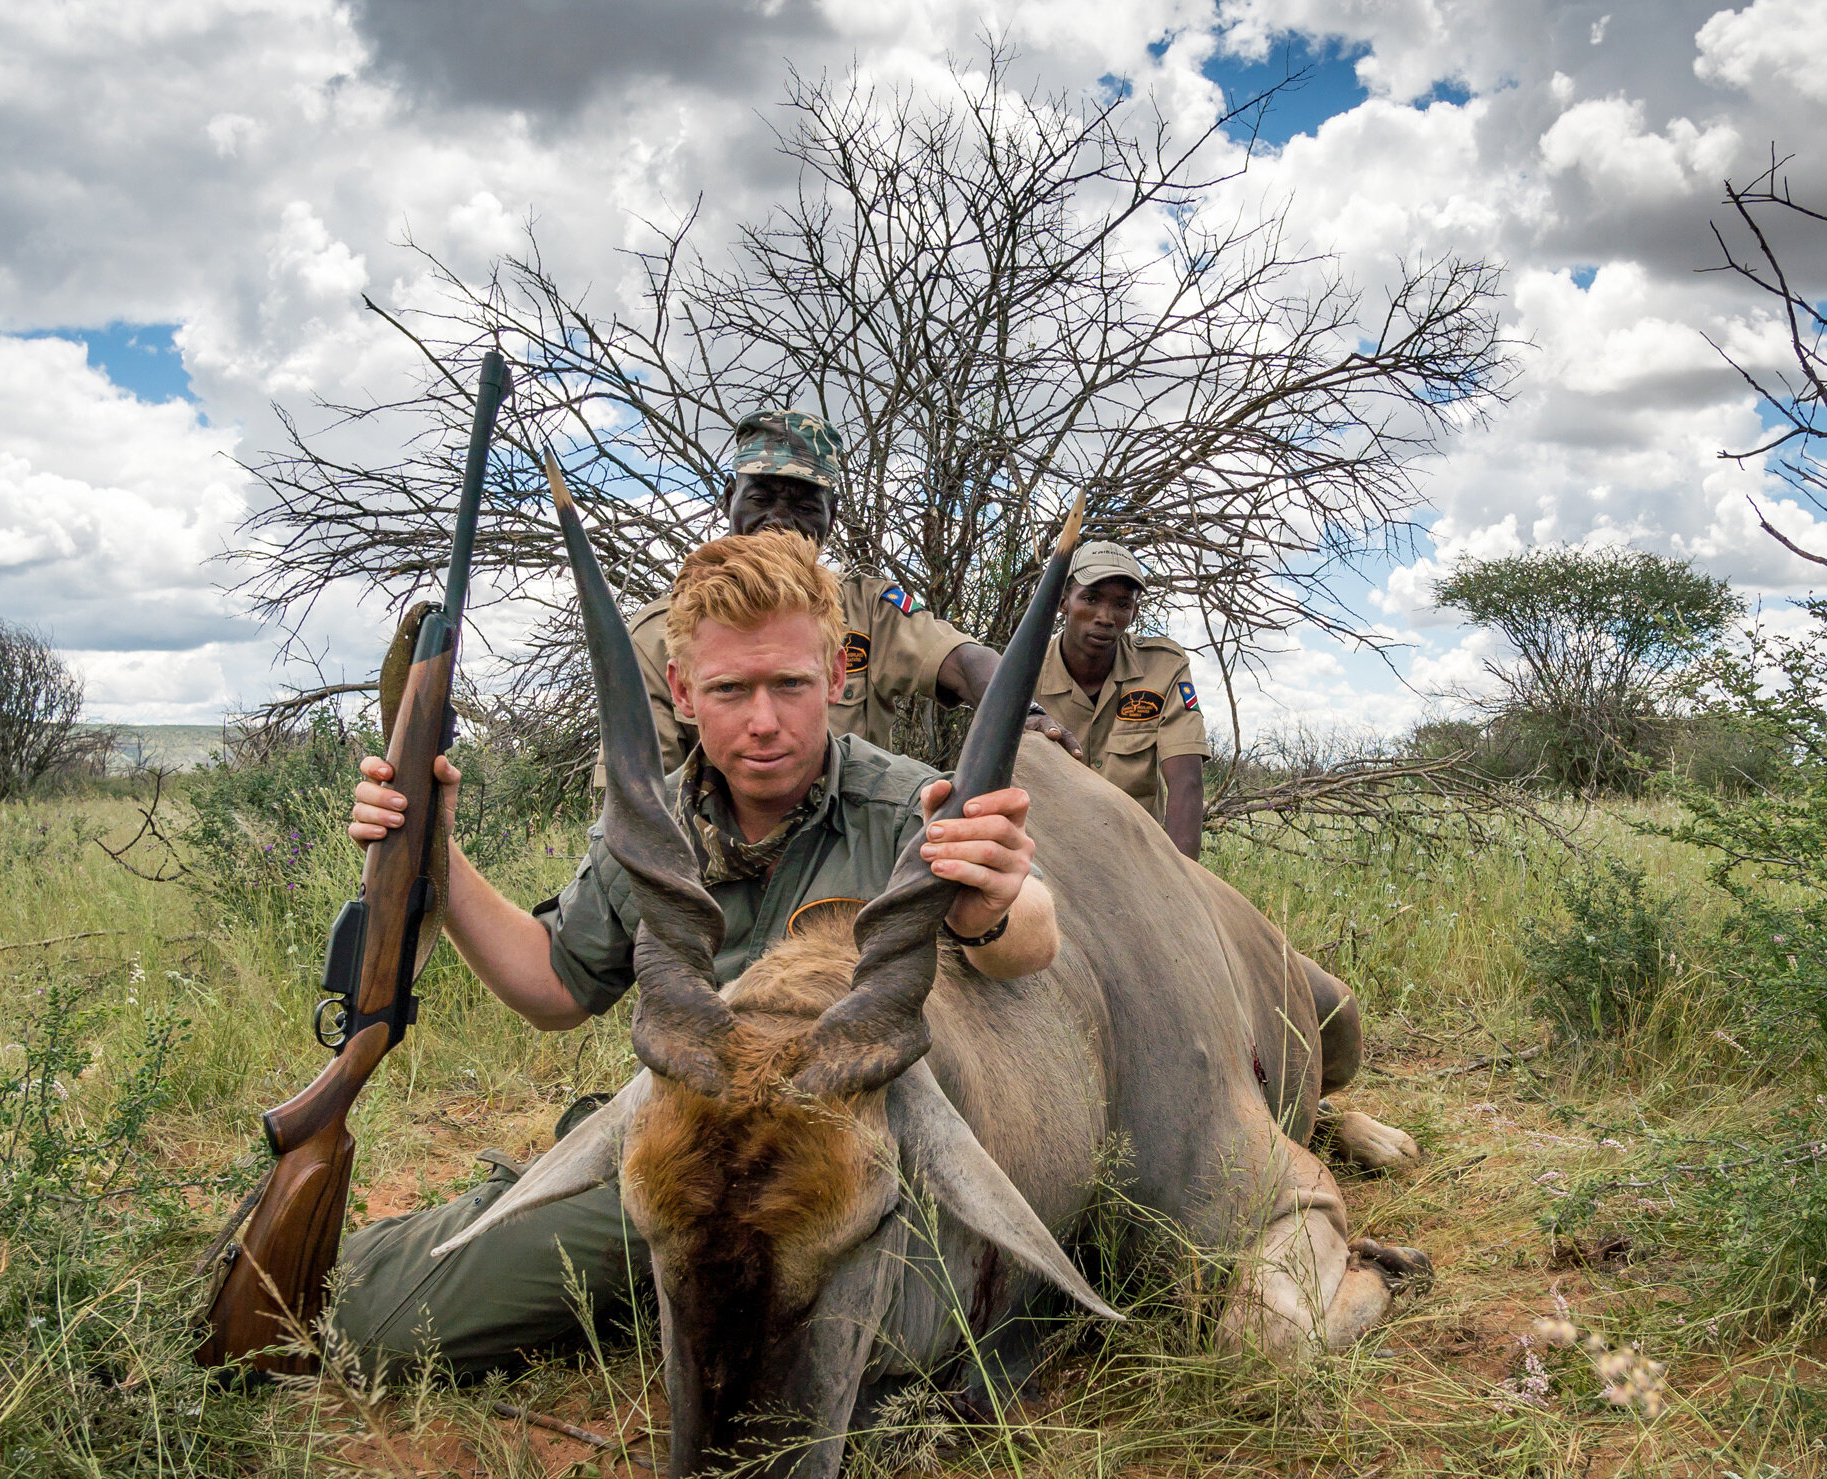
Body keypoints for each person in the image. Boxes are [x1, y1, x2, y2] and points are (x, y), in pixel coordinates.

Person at [325, 526, 1059, 1382]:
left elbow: (1030, 942)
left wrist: (991, 901)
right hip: (700, 1162)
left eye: (789, 684)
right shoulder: (649, 826)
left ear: (835, 676)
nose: (762, 721)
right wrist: (434, 855)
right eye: (728, 688)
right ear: (678, 689)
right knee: (373, 1313)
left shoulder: (908, 807)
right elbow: (552, 989)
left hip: (848, 1175)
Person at [614, 409, 1081, 768]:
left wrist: (1022, 711)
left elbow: (960, 659)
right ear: (727, 501)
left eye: (803, 504)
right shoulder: (658, 632)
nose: (779, 519)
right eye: (761, 497)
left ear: (831, 516)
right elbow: (643, 787)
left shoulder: (868, 610)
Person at [1035, 541, 1211, 858]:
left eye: (1121, 604)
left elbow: (1186, 783)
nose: (1105, 617)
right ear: (1063, 601)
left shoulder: (1163, 667)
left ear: (1134, 611)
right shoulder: (1025, 674)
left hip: (1135, 855)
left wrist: (1180, 888)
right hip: (1046, 853)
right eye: (1090, 598)